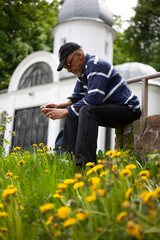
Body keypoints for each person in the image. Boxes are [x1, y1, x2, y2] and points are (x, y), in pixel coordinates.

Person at [40, 42, 141, 167]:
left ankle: (86, 164)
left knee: (85, 110)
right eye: (66, 68)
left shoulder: (96, 65)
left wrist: (66, 111)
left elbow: (94, 98)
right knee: (75, 112)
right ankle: (68, 160)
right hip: (110, 109)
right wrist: (57, 105)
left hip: (128, 109)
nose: (69, 70)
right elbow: (76, 98)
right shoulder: (83, 73)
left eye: (69, 64)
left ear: (79, 55)